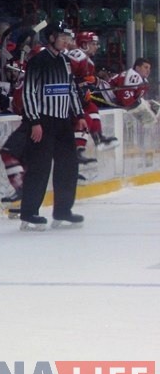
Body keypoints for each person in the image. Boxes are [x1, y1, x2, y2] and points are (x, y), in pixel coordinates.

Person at [19, 21, 87, 230]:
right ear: (51, 37)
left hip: (63, 122)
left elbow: (71, 89)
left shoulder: (65, 61)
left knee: (68, 166)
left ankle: (63, 210)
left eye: (68, 37)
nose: (66, 41)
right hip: (43, 121)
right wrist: (34, 121)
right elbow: (28, 92)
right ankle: (29, 213)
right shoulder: (38, 60)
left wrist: (79, 114)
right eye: (62, 37)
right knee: (39, 168)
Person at [67, 31, 118, 161]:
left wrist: (92, 82)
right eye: (94, 44)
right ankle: (78, 150)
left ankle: (98, 138)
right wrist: (82, 83)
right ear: (84, 44)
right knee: (85, 119)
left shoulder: (89, 62)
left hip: (79, 98)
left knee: (92, 108)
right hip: (68, 98)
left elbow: (84, 80)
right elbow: (66, 77)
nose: (97, 47)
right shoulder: (76, 55)